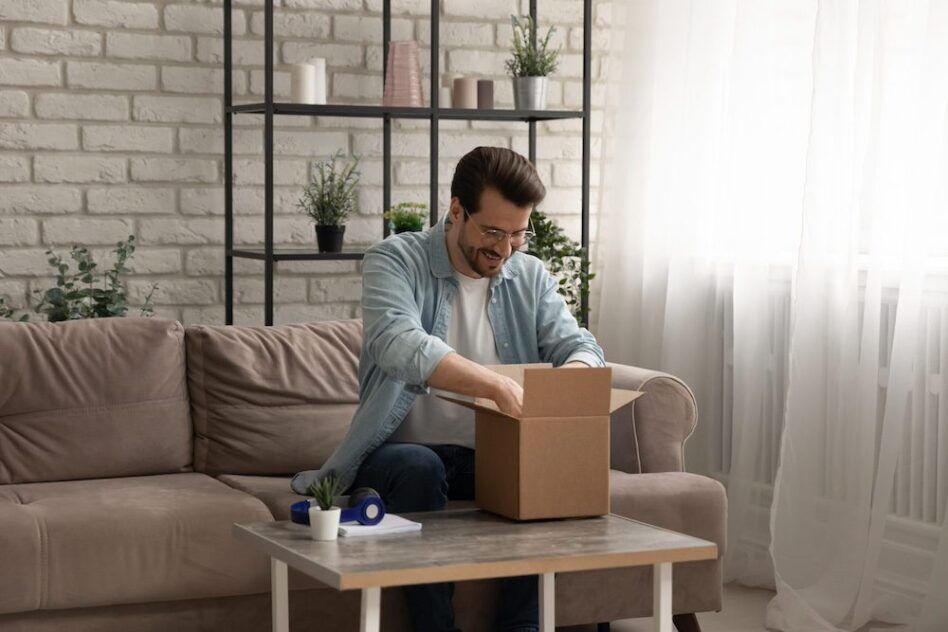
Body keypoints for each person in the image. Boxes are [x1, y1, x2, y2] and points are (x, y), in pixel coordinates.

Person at [291, 146, 605, 632]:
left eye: (519, 234)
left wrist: (573, 377)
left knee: (545, 461)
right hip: (401, 455)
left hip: (492, 455)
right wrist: (495, 385)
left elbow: (578, 343)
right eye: (493, 232)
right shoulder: (394, 260)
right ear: (456, 210)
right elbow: (399, 343)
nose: (504, 249)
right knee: (421, 464)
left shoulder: (530, 275)